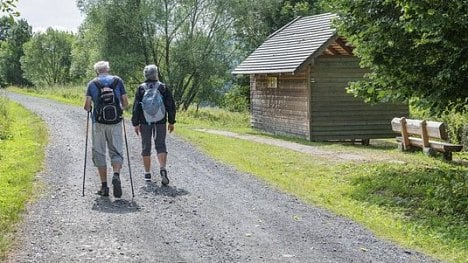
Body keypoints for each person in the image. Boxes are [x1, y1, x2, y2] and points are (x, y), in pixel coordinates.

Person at [84, 61, 129, 197]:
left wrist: (91, 107)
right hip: (115, 122)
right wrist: (119, 109)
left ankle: (104, 187)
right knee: (116, 151)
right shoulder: (118, 81)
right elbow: (126, 103)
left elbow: (86, 106)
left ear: (97, 71)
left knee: (99, 152)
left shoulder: (92, 84)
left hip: (98, 122)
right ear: (108, 69)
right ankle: (116, 175)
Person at [131, 64, 176, 186]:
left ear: (145, 75)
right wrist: (171, 121)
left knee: (146, 146)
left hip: (145, 121)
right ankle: (162, 168)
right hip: (160, 120)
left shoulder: (141, 88)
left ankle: (147, 174)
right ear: (156, 74)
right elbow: (170, 105)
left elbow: (136, 107)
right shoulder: (163, 87)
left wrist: (135, 123)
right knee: (160, 145)